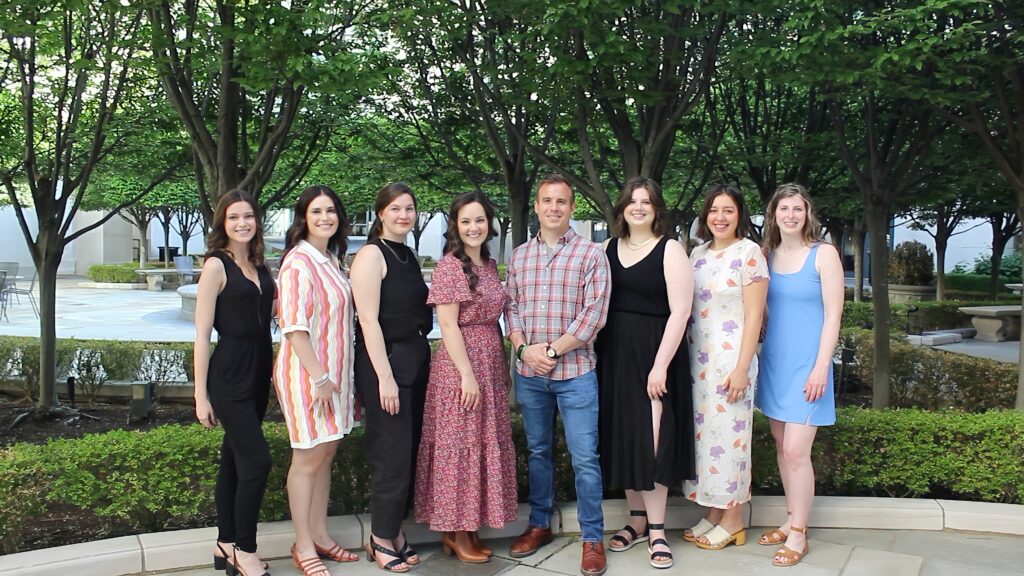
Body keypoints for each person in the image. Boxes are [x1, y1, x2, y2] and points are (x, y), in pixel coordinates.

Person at [505, 174, 611, 576]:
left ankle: (591, 538)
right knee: (538, 452)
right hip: (530, 375)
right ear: (536, 205)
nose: (554, 207)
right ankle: (538, 525)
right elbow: (510, 309)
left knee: (585, 457)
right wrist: (523, 350)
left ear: (572, 207)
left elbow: (593, 316)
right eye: (547, 200)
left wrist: (550, 351)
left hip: (576, 373)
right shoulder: (518, 257)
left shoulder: (590, 255)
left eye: (561, 201)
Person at [414, 191, 518, 563]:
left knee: (480, 444)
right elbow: (446, 324)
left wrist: (499, 370)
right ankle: (454, 531)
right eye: (466, 221)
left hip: (488, 358)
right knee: (458, 449)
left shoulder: (489, 264)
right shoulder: (450, 266)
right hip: (460, 365)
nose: (474, 227)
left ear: (489, 223)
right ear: (455, 226)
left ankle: (468, 527)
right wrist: (467, 376)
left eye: (479, 220)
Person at [596, 177, 693, 569]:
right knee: (624, 436)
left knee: (652, 439)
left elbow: (681, 312)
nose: (638, 207)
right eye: (632, 201)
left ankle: (657, 529)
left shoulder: (670, 250)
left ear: (656, 209)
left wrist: (660, 365)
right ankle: (636, 520)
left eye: (646, 202)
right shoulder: (606, 248)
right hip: (613, 353)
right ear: (621, 208)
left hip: (656, 353)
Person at [755, 183, 843, 567]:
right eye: (784, 208)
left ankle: (799, 534)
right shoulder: (766, 255)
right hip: (775, 364)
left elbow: (834, 316)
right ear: (773, 214)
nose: (791, 215)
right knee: (781, 447)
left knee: (796, 450)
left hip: (810, 369)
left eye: (798, 209)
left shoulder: (824, 255)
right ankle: (792, 518)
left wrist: (822, 367)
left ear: (808, 214)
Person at [274, 185, 359, 576]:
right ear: (303, 218)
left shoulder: (330, 259)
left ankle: (321, 535)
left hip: (336, 377)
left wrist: (338, 380)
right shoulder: (298, 262)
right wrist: (320, 378)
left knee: (326, 455)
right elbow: (294, 328)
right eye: (316, 211)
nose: (325, 217)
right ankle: (303, 544)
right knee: (308, 457)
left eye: (330, 211)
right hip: (309, 376)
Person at [350, 182, 432, 574]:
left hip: (414, 356)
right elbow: (367, 319)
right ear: (380, 212)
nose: (403, 215)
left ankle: (394, 530)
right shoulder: (371, 255)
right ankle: (380, 536)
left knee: (410, 447)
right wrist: (384, 377)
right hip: (387, 361)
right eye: (395, 208)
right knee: (391, 451)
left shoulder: (408, 255)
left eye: (409, 209)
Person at [683, 184, 768, 551]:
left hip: (732, 361)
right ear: (705, 215)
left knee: (731, 441)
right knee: (705, 442)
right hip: (696, 363)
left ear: (740, 216)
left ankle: (733, 520)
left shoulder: (750, 254)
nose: (720, 217)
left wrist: (742, 367)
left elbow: (754, 316)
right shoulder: (696, 254)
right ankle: (714, 511)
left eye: (728, 210)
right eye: (714, 210)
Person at [194, 190, 275, 576]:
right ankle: (245, 548)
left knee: (234, 460)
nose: (242, 223)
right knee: (258, 461)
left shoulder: (261, 266)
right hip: (228, 372)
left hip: (260, 370)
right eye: (233, 217)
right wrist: (200, 395)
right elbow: (200, 334)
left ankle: (224, 542)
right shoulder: (216, 266)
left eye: (248, 216)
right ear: (222, 224)